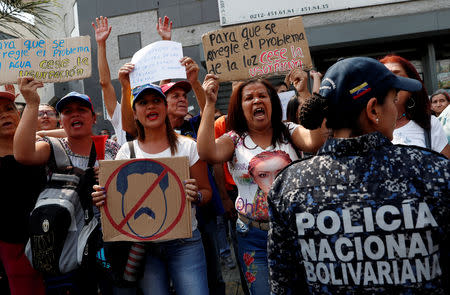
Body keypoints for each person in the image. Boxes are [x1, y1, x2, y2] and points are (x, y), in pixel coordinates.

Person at [267, 57, 450, 294]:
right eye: (393, 100)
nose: (395, 109)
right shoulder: (432, 172)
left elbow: (284, 286)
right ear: (373, 109)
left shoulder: (289, 186)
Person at [197, 74, 328, 294]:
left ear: (272, 102)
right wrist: (209, 103)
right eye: (249, 98)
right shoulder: (234, 139)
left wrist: (304, 93)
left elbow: (315, 141)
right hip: (252, 237)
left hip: (295, 233)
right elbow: (207, 152)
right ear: (240, 107)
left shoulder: (289, 131)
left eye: (262, 96)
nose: (256, 101)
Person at [92, 74, 212, 294]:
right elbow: (116, 202)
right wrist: (102, 197)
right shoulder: (126, 152)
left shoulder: (188, 147)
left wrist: (197, 196)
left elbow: (206, 192)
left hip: (185, 244)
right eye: (143, 102)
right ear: (135, 113)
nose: (150, 107)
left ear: (165, 108)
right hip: (142, 247)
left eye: (156, 101)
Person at [14, 78, 120, 294]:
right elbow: (23, 154)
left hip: (108, 242)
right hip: (66, 246)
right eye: (68, 111)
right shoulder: (52, 147)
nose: (75, 114)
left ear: (93, 118)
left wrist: (112, 178)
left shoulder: (112, 149)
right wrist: (32, 104)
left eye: (82, 110)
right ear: (61, 120)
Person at [0, 84, 46, 295]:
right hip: (13, 247)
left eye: (9, 108)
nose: (4, 116)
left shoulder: (39, 145)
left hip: (52, 240)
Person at [380, 54, 450, 158]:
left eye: (397, 76)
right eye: (384, 78)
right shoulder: (366, 127)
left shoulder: (429, 124)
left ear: (411, 86)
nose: (391, 84)